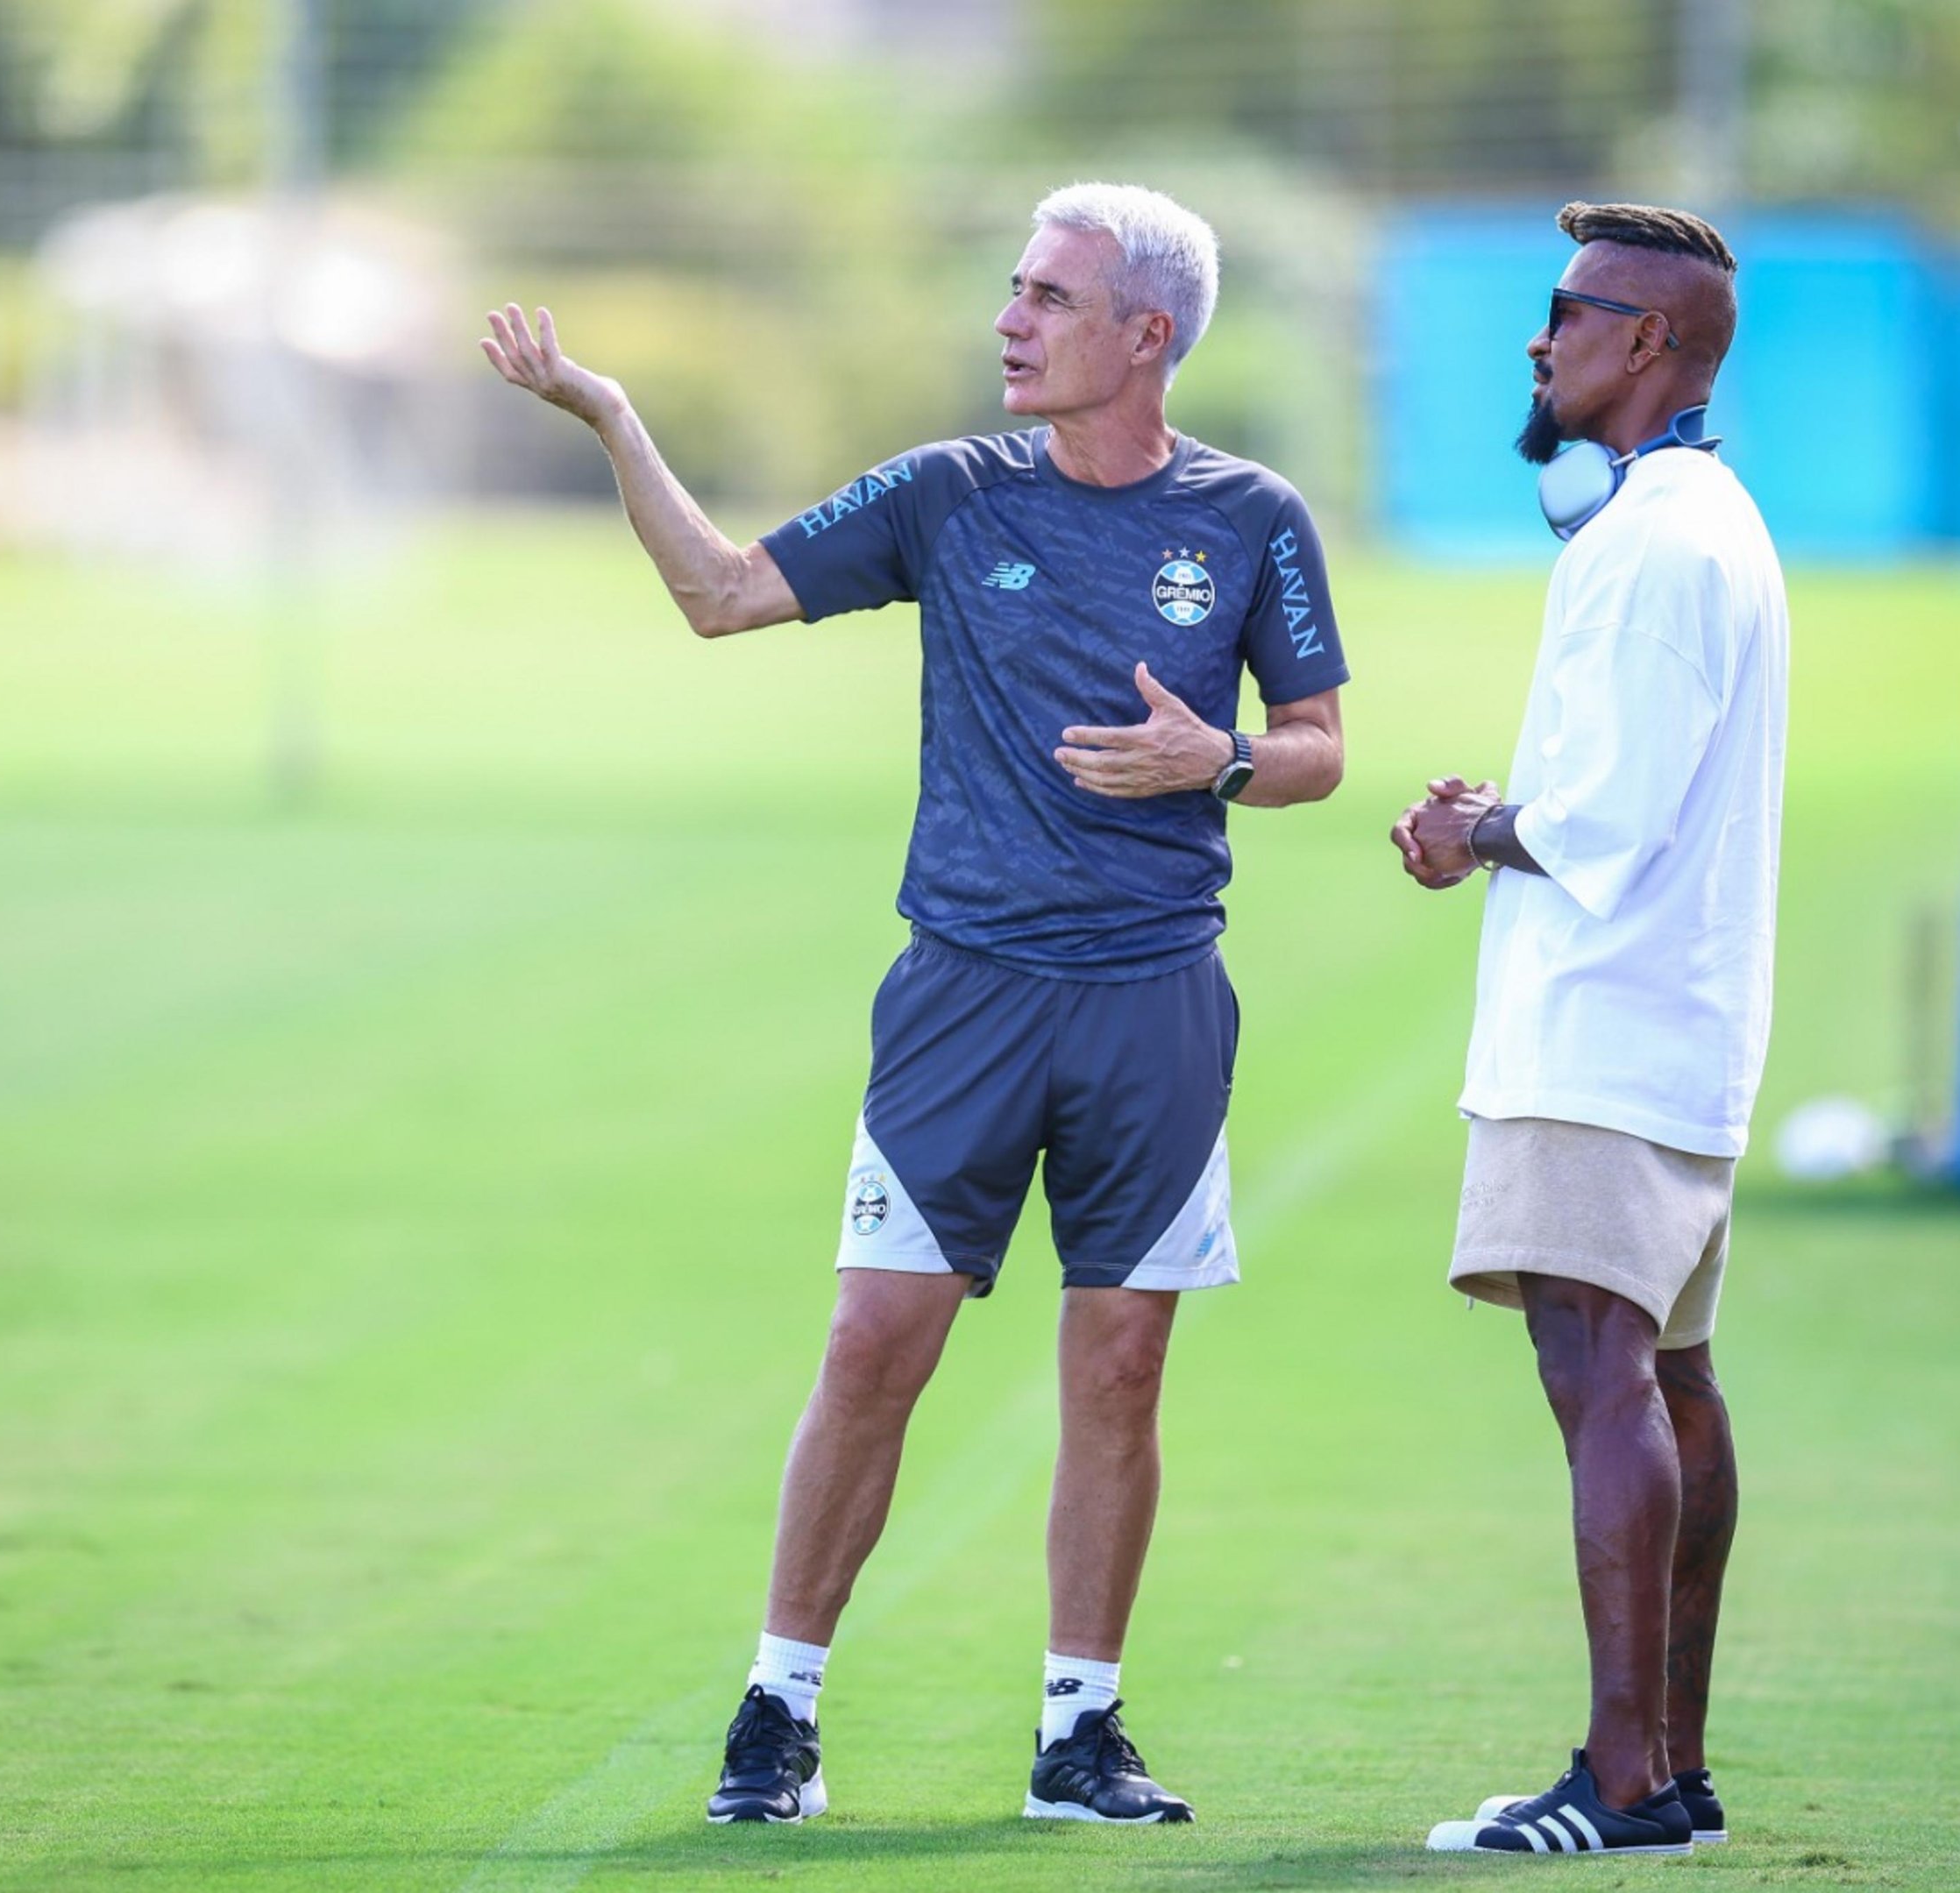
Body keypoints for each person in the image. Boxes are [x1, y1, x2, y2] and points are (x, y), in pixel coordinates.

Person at [479, 181, 1349, 1826]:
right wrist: (611, 420)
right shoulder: (949, 492)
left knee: (1117, 1367)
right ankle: (776, 1711)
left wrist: (1215, 757)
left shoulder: (1252, 519)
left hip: (1153, 1001)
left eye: (1048, 298)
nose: (1008, 321)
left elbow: (1314, 743)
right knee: (874, 1343)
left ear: (1145, 336)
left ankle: (1078, 1736)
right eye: (1011, 289)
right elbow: (721, 594)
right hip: (961, 995)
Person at [1390, 201, 1786, 1860]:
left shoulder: (1645, 544)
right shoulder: (1702, 521)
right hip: (1677, 1031)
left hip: (1603, 1031)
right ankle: (1670, 1773)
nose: (1538, 340)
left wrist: (1467, 828)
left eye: (1567, 313)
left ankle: (1618, 1780)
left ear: (1646, 344)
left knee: (1595, 1367)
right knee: (1670, 1379)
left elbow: (1600, 816)